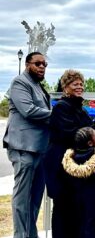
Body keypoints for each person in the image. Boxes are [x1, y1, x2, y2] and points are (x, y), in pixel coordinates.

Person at [44, 69, 95, 238]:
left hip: (73, 171)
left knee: (76, 214)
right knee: (63, 213)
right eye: (75, 84)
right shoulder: (61, 109)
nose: (79, 87)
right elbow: (72, 134)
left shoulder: (81, 109)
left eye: (81, 84)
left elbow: (85, 132)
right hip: (61, 169)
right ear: (65, 87)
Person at [3, 51, 51, 238]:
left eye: (44, 64)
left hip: (40, 149)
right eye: (37, 63)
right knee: (22, 200)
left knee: (34, 200)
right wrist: (58, 114)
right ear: (27, 64)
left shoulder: (39, 87)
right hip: (23, 148)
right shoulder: (20, 82)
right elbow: (29, 111)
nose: (41, 67)